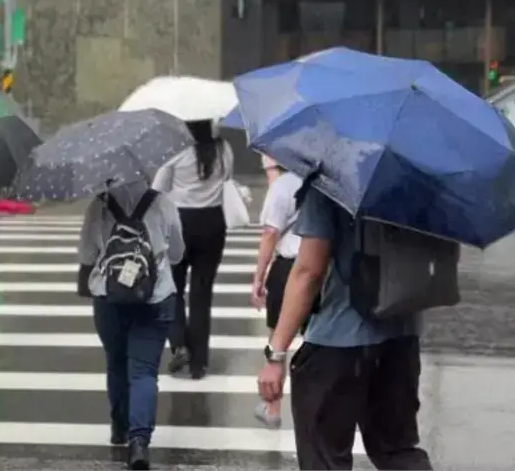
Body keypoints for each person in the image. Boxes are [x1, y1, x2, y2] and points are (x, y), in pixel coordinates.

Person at [256, 187, 432, 470]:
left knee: (325, 457)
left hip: (339, 340)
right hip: (402, 336)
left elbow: (308, 272)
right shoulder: (419, 186)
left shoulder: (331, 184)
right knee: (397, 450)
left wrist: (276, 353)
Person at [78, 179, 184, 470]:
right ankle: (139, 443)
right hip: (156, 295)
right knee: (144, 371)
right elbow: (176, 253)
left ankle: (119, 426)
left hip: (108, 297)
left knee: (115, 362)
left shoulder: (98, 205)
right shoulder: (163, 202)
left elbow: (87, 254)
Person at [152, 119, 233, 379]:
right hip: (212, 223)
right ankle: (199, 363)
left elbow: (159, 187)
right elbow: (227, 178)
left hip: (179, 222)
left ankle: (179, 344)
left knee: (172, 287)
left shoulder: (175, 150)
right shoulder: (224, 149)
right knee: (202, 293)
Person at [250, 165, 302, 428]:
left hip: (288, 268)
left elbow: (271, 232)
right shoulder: (329, 181)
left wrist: (259, 276)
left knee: (278, 339)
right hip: (324, 267)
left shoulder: (283, 185)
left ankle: (273, 408)